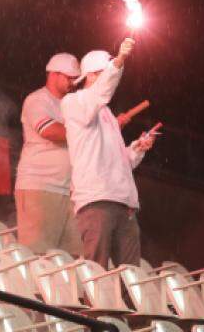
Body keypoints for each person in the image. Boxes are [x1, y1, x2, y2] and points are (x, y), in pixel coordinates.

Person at [61, 38, 156, 267]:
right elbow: (101, 92)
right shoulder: (74, 102)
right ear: (91, 76)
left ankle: (125, 305)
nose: (110, 80)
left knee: (131, 278)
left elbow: (119, 161)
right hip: (96, 201)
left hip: (123, 203)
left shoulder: (106, 114)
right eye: (104, 73)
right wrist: (119, 61)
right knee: (98, 272)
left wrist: (136, 149)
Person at [14, 52, 84, 255]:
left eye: (75, 78)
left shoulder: (70, 105)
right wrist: (84, 132)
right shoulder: (37, 100)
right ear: (53, 74)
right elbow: (50, 131)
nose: (73, 82)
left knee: (71, 258)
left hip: (67, 191)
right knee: (38, 255)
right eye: (69, 77)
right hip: (40, 186)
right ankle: (29, 289)